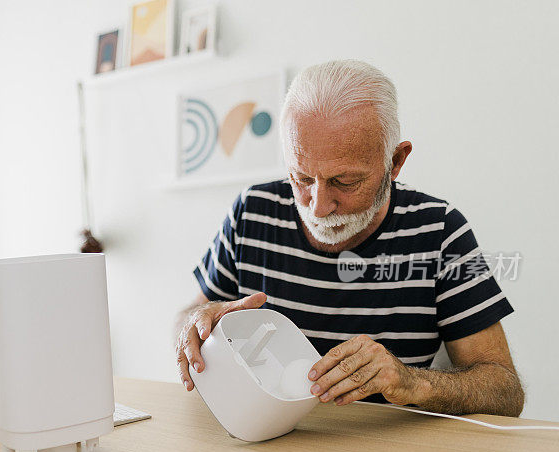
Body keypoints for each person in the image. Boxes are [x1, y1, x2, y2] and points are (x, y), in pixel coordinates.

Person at [175, 60, 524, 416]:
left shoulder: (440, 232)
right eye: (302, 178)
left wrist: (411, 382)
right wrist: (194, 325)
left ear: (396, 161)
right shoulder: (252, 212)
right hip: (263, 435)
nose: (318, 207)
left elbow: (505, 391)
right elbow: (192, 315)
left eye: (345, 182)